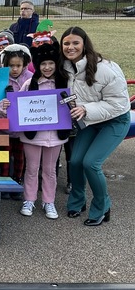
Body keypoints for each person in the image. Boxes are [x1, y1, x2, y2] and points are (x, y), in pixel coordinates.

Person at [60, 27, 131, 226]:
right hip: (89, 120)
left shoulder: (105, 68)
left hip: (115, 120)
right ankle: (77, 201)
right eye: (66, 43)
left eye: (75, 43)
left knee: (91, 163)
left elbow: (119, 103)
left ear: (84, 44)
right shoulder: (64, 67)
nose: (70, 47)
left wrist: (85, 109)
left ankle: (102, 206)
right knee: (75, 162)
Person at [0, 43, 69, 219]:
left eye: (51, 63)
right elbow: (16, 105)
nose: (47, 68)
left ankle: (49, 201)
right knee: (31, 169)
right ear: (37, 65)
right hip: (32, 135)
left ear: (57, 64)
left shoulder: (64, 82)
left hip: (55, 135)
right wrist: (5, 106)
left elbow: (72, 104)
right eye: (43, 64)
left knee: (50, 170)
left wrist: (73, 106)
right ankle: (29, 199)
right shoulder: (30, 83)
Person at [0, 44, 33, 200]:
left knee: (20, 157)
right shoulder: (1, 79)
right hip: (5, 127)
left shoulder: (31, 78)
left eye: (18, 65)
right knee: (4, 157)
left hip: (22, 128)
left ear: (24, 64)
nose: (15, 69)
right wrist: (2, 107)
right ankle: (4, 183)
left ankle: (17, 181)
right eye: (11, 66)